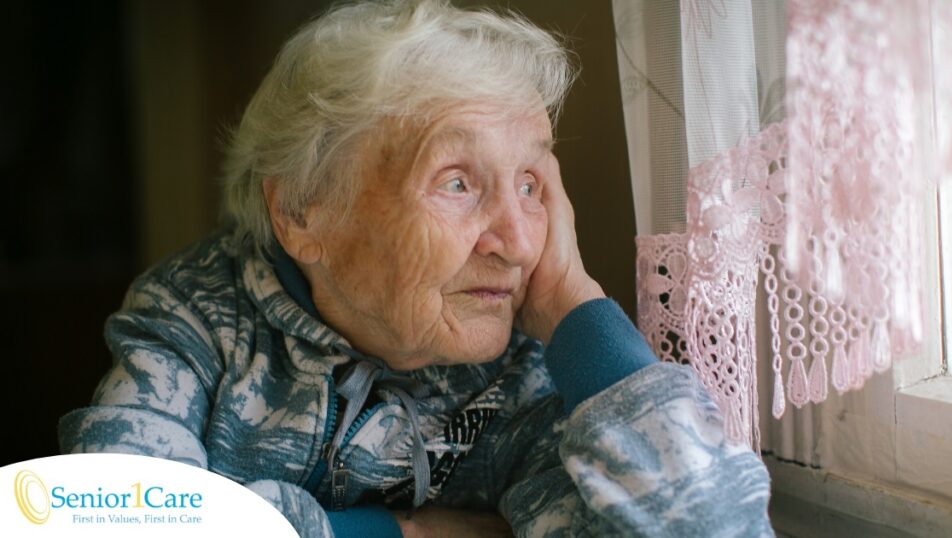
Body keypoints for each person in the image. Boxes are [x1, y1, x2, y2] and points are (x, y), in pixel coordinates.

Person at [59, 1, 773, 536]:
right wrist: (403, 531)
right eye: (457, 182)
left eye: (530, 184)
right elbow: (103, 520)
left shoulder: (529, 370)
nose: (519, 244)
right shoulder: (196, 318)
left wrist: (575, 306)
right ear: (303, 211)